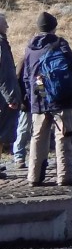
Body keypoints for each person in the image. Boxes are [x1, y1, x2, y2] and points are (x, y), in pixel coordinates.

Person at [20, 11, 72, 187]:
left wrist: (32, 96)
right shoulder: (60, 43)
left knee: (37, 137)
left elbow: (26, 77)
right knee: (63, 136)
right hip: (60, 98)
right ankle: (64, 177)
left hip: (39, 97)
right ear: (54, 27)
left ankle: (34, 177)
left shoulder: (30, 48)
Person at [0, 12, 17, 177]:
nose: (7, 26)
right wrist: (11, 97)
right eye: (5, 23)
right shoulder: (1, 44)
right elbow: (4, 74)